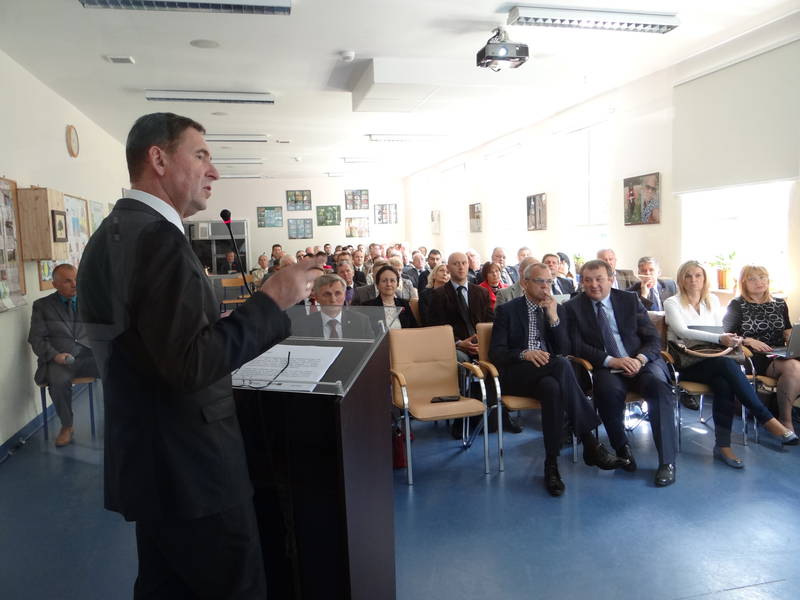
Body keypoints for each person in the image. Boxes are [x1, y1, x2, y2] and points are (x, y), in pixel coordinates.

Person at [76, 112, 319, 599]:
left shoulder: (111, 234)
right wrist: (271, 301)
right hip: (194, 471)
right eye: (201, 155)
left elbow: (155, 349)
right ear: (159, 159)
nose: (214, 171)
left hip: (153, 463)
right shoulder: (159, 240)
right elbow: (191, 364)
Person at [490, 263, 628, 496]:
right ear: (525, 283)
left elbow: (565, 350)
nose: (546, 287)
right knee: (561, 366)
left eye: (549, 282)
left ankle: (551, 465)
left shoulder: (557, 309)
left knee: (552, 388)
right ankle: (590, 443)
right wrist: (525, 353)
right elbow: (496, 352)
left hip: (550, 374)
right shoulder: (508, 310)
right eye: (540, 281)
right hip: (517, 374)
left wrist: (553, 318)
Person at [664, 261, 798, 468]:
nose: (693, 280)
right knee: (726, 366)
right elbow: (683, 332)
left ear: (704, 278)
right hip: (687, 362)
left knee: (724, 382)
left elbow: (722, 330)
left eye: (698, 275)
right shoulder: (672, 302)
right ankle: (767, 419)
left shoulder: (712, 300)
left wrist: (732, 339)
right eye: (688, 276)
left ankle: (723, 446)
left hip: (713, 358)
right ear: (681, 280)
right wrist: (721, 339)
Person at [565, 259, 678, 487]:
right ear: (581, 282)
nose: (593, 285)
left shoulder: (629, 300)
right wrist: (612, 360)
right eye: (588, 280)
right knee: (606, 391)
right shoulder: (572, 307)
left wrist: (639, 359)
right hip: (607, 366)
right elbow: (576, 346)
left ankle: (667, 462)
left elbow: (653, 339)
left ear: (611, 279)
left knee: (660, 389)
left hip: (641, 363)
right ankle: (622, 449)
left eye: (599, 279)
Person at [28, 263, 99, 447]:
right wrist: (55, 356)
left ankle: (120, 419)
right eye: (68, 281)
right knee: (57, 382)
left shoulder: (90, 301)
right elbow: (36, 339)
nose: (74, 284)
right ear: (55, 285)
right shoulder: (42, 306)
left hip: (87, 356)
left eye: (76, 279)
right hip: (60, 360)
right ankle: (67, 426)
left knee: (116, 370)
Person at [724, 265, 800, 433]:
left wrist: (793, 336)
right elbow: (726, 336)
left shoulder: (780, 303)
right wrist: (748, 340)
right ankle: (785, 421)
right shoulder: (737, 304)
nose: (759, 282)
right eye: (752, 279)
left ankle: (781, 412)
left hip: (779, 352)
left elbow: (787, 329)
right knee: (794, 367)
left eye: (762, 277)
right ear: (744, 283)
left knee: (794, 365)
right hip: (753, 356)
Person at [291, 273, 375, 339]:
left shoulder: (361, 321)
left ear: (344, 295)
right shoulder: (302, 325)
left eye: (338, 293)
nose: (333, 299)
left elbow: (370, 352)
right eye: (327, 294)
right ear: (316, 297)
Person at [362, 265, 419, 330]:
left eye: (392, 281)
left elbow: (414, 329)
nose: (388, 284)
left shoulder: (404, 304)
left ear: (397, 284)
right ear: (377, 285)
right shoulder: (368, 306)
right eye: (384, 281)